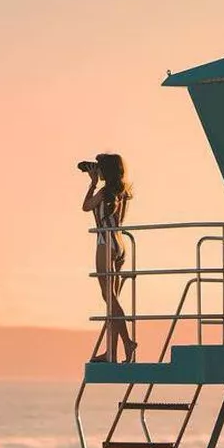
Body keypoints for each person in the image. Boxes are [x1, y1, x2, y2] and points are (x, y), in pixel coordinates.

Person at [81, 153, 136, 362]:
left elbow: (86, 206)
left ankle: (127, 343)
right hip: (119, 243)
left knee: (109, 298)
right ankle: (111, 352)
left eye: (100, 167)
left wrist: (92, 183)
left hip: (105, 242)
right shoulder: (124, 191)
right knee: (112, 300)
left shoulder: (104, 192)